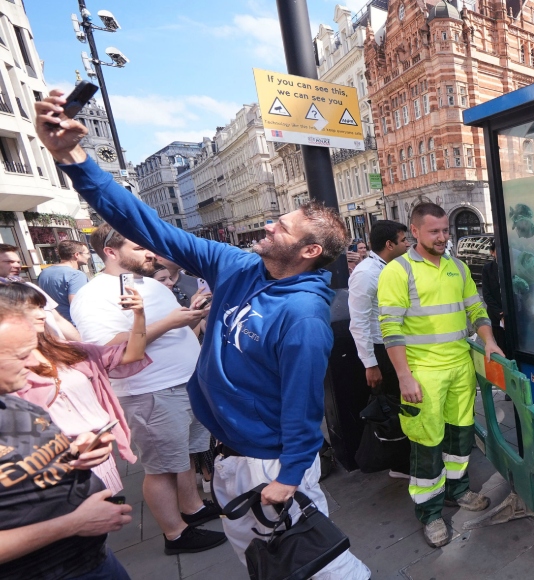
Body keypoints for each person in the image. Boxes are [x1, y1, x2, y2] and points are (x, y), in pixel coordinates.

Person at [36, 90, 371, 579]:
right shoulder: (237, 265)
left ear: (309, 250)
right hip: (229, 459)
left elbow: (304, 408)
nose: (267, 225)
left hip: (269, 467)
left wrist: (290, 478)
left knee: (316, 568)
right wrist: (74, 158)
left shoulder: (302, 317)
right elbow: (150, 227)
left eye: (280, 227)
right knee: (265, 566)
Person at [71, 224, 224, 555]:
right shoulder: (93, 295)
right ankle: (175, 534)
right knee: (161, 467)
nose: (149, 252)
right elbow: (109, 351)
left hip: (185, 383)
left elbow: (171, 329)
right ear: (110, 252)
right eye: (139, 248)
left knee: (182, 455)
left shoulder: (147, 283)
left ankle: (193, 508)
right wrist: (168, 323)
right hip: (151, 392)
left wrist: (190, 316)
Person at [377, 202, 504, 548]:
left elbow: (475, 309)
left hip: (460, 369)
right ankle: (431, 513)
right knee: (427, 446)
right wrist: (404, 376)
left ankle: (457, 490)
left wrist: (489, 341)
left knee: (460, 439)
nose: (442, 237)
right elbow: (391, 328)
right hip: (423, 374)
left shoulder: (457, 268)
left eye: (445, 230)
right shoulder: (397, 271)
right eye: (434, 231)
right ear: (413, 232)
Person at [0, 300, 134, 580]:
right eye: (22, 354)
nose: (37, 362)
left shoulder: (13, 401)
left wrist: (74, 455)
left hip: (92, 560)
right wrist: (74, 524)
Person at [3, 278, 148, 495]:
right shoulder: (7, 373)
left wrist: (139, 316)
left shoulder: (71, 351)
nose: (42, 314)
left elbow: (132, 354)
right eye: (29, 309)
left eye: (41, 307)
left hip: (96, 450)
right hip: (51, 465)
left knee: (106, 515)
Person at [348, 219, 411, 477]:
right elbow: (359, 322)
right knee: (396, 407)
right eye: (404, 240)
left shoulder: (392, 267)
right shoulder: (366, 274)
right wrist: (371, 364)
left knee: (404, 404)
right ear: (389, 244)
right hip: (382, 350)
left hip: (398, 346)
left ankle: (403, 459)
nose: (408, 244)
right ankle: (400, 463)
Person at [0, 243, 82, 341]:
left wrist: (85, 346)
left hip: (56, 349)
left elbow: (57, 320)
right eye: (9, 262)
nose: (17, 265)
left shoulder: (30, 287)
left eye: (18, 262)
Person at [35, 240, 91, 322]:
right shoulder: (76, 275)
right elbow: (78, 306)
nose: (89, 256)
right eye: (87, 253)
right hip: (73, 325)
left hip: (53, 323)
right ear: (77, 255)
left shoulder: (44, 273)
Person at [480, 239, 508, 356]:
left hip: (513, 317)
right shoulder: (488, 269)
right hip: (496, 316)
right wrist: (501, 314)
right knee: (503, 347)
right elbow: (486, 295)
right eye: (498, 250)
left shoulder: (511, 266)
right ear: (492, 252)